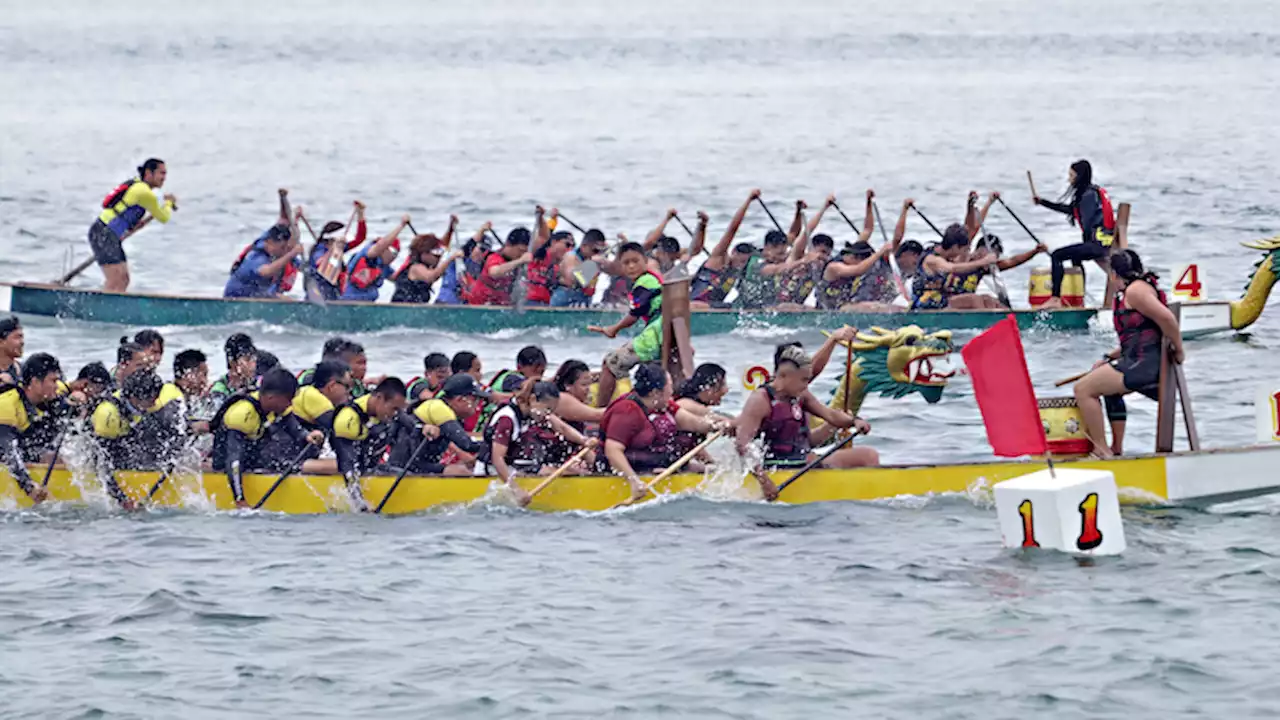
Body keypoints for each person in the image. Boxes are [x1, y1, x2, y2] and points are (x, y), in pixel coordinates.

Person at [1073, 249, 1184, 458]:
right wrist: (1108, 358)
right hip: (1140, 361)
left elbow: (1168, 319)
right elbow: (1139, 338)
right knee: (1105, 386)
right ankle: (1116, 449)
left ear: (1114, 274)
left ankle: (1100, 449)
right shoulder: (1136, 289)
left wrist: (1179, 351)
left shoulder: (1135, 292)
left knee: (1083, 390)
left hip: (1145, 366)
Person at [735, 344, 876, 500]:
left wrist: (854, 421)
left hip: (804, 461)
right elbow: (743, 446)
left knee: (868, 455)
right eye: (803, 379)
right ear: (783, 376)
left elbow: (830, 415)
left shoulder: (801, 395)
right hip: (778, 468)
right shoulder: (760, 400)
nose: (806, 384)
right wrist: (764, 481)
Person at [599, 363, 723, 502]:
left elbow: (693, 423)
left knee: (712, 469)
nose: (672, 391)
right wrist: (634, 481)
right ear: (655, 393)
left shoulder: (664, 404)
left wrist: (716, 426)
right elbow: (612, 450)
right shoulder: (627, 410)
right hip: (629, 469)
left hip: (656, 464)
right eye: (669, 386)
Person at [210, 368, 323, 508]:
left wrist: (307, 436)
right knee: (277, 457)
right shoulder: (241, 415)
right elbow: (234, 459)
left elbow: (293, 427)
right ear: (271, 398)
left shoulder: (277, 404)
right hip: (227, 459)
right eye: (289, 400)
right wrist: (239, 498)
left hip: (253, 449)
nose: (291, 404)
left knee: (293, 448)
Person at [480, 380, 593, 505]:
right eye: (547, 409)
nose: (548, 414)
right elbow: (498, 459)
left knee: (570, 467)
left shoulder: (534, 408)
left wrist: (584, 440)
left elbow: (562, 428)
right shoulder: (507, 418)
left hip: (515, 461)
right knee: (562, 471)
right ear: (533, 399)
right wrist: (516, 490)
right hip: (494, 468)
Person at [587, 242, 664, 407]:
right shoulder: (651, 277)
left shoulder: (644, 283)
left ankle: (600, 412)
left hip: (655, 336)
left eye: (635, 261)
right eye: (626, 263)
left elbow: (634, 315)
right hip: (663, 332)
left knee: (610, 363)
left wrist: (613, 329)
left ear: (645, 260)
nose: (631, 266)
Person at [1033, 159, 1117, 308]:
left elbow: (1087, 219)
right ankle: (1080, 299)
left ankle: (1055, 298)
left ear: (1079, 176)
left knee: (1057, 255)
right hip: (1102, 244)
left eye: (1071, 175)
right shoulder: (1089, 193)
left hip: (1097, 245)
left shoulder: (1087, 195)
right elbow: (1071, 210)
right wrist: (1043, 202)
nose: (1069, 179)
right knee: (1075, 258)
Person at [91, 371, 181, 507]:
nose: (155, 401)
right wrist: (121, 498)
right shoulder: (108, 415)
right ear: (133, 397)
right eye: (151, 398)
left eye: (157, 396)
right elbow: (100, 463)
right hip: (109, 440)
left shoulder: (151, 401)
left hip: (130, 432)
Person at [87, 159, 177, 292]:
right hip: (103, 233)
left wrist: (133, 224)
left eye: (165, 174)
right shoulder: (144, 193)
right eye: (161, 173)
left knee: (124, 279)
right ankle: (102, 309)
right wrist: (169, 203)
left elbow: (124, 213)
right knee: (115, 279)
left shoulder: (137, 185)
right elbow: (163, 217)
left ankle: (114, 307)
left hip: (109, 235)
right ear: (148, 173)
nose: (164, 178)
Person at [388, 373, 490, 475]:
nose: (477, 405)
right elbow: (467, 445)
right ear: (459, 399)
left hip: (418, 466)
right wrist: (498, 446)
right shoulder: (438, 408)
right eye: (475, 400)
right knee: (459, 471)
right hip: (404, 470)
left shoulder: (449, 413)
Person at [0, 353, 65, 503]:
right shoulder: (7, 404)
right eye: (53, 381)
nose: (57, 386)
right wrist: (29, 487)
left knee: (57, 457)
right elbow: (8, 451)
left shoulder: (49, 397)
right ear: (35, 382)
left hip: (24, 450)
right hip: (4, 452)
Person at [691, 190, 761, 306]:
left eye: (746, 262)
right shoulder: (719, 259)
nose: (742, 265)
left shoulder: (738, 272)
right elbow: (732, 229)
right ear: (733, 252)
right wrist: (748, 201)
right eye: (742, 261)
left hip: (716, 309)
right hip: (696, 306)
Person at [910, 220, 996, 310]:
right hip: (925, 303)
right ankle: (983, 323)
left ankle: (1003, 318)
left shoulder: (944, 253)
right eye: (964, 250)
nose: (964, 253)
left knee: (986, 299)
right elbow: (952, 268)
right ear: (955, 247)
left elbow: (971, 228)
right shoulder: (933, 259)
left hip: (941, 299)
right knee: (973, 299)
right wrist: (984, 261)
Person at [223, 219, 305, 299]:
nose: (284, 252)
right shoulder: (257, 257)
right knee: (283, 299)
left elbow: (283, 219)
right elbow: (267, 271)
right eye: (282, 247)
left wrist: (295, 219)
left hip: (258, 295)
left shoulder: (273, 245)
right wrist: (291, 254)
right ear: (269, 242)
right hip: (237, 299)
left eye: (286, 248)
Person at [342, 214, 411, 302]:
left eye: (397, 254)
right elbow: (381, 245)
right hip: (348, 302)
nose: (394, 258)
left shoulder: (385, 268)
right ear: (385, 250)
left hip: (368, 304)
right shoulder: (369, 253)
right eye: (393, 253)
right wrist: (401, 225)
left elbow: (397, 278)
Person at [391, 217, 461, 304]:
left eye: (440, 252)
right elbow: (431, 277)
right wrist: (450, 258)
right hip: (403, 309)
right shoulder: (415, 268)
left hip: (417, 309)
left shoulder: (427, 263)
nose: (439, 256)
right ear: (424, 253)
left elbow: (443, 245)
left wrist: (451, 229)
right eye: (435, 252)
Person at [306, 201, 366, 301]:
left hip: (333, 295)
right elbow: (320, 264)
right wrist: (335, 249)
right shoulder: (319, 250)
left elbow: (360, 238)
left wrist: (360, 214)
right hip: (317, 297)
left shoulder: (339, 249)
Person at [673, 363, 731, 460]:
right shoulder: (686, 404)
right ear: (709, 388)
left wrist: (711, 463)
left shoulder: (694, 403)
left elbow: (694, 448)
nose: (726, 390)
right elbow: (720, 420)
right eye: (723, 384)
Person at [467, 227, 533, 306]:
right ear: (508, 244)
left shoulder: (517, 261)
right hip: (480, 305)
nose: (522, 255)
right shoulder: (494, 257)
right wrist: (520, 261)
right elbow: (494, 272)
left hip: (501, 305)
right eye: (520, 250)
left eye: (525, 252)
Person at [437, 223, 495, 305]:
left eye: (486, 251)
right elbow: (468, 247)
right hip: (445, 302)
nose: (483, 253)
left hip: (464, 306)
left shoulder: (483, 267)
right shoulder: (458, 259)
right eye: (481, 249)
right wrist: (482, 230)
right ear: (473, 248)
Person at [552, 228, 609, 307]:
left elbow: (615, 270)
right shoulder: (571, 256)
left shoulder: (598, 259)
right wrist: (592, 264)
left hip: (585, 299)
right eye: (595, 250)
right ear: (584, 246)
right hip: (565, 300)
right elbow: (571, 279)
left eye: (601, 251)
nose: (598, 253)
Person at [552, 359, 605, 430]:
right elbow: (597, 415)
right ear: (567, 385)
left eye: (590, 383)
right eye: (584, 384)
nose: (588, 388)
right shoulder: (562, 399)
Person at [210, 333, 258, 403]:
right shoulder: (219, 390)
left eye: (254, 359)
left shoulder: (258, 383)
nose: (253, 364)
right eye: (247, 359)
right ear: (232, 362)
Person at [0, 317, 24, 384]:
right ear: (1, 342)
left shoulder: (25, 372)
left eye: (22, 337)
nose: (22, 342)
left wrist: (11, 386)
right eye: (17, 337)